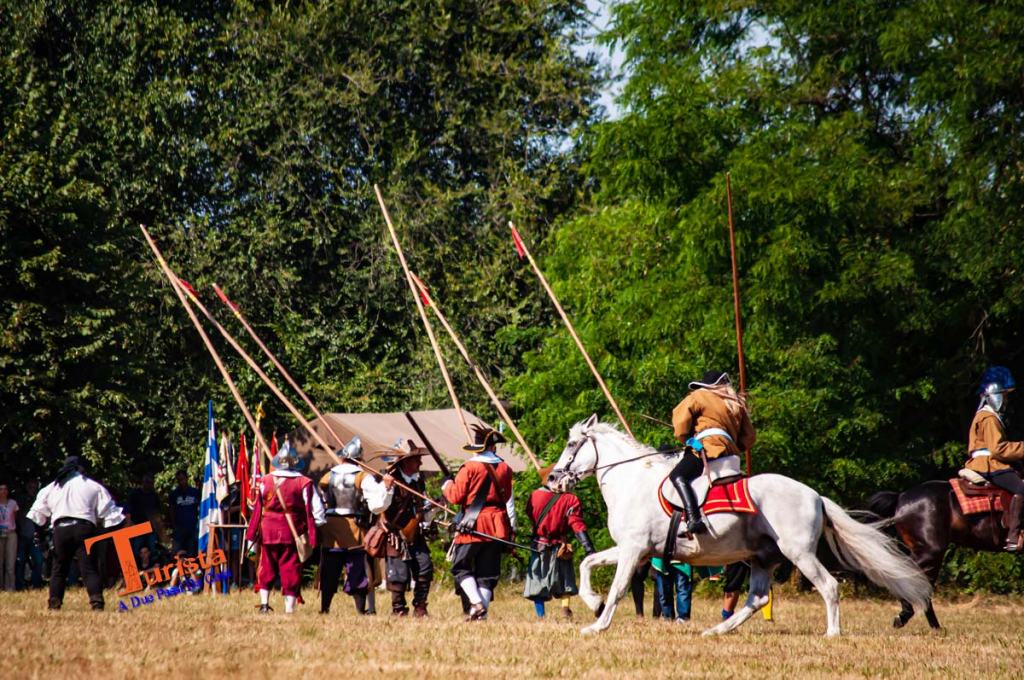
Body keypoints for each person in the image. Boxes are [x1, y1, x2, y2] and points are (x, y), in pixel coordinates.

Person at [26, 456, 125, 610]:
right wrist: (102, 534)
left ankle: (54, 604)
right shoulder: (93, 486)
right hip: (84, 528)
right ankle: (97, 603)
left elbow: (36, 515)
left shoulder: (52, 487)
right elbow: (112, 516)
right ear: (80, 468)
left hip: (61, 530)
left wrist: (41, 536)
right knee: (89, 568)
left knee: (59, 569)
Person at [443, 424, 515, 621]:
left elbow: (456, 497)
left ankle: (475, 604)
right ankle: (481, 614)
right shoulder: (505, 468)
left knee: (460, 567)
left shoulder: (470, 466)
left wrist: (447, 485)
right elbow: (506, 496)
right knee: (487, 574)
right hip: (497, 524)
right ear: (492, 447)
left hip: (473, 523)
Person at [669, 370, 756, 534]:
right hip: (732, 454)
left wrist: (687, 439)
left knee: (677, 476)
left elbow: (680, 422)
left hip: (709, 448)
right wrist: (733, 445)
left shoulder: (700, 395)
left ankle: (694, 519)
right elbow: (749, 437)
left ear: (707, 386)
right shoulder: (736, 402)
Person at [318, 436, 394, 615]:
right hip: (354, 527)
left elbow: (321, 497)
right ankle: (360, 611)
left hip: (330, 529)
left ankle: (325, 609)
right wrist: (386, 488)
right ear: (359, 459)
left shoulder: (328, 476)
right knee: (357, 570)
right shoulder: (362, 476)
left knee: (330, 570)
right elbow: (377, 506)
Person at [246, 443, 318, 613]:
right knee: (290, 568)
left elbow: (257, 508)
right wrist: (314, 530)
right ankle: (289, 610)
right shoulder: (304, 482)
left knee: (267, 566)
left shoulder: (265, 480)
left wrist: (251, 533)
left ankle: (264, 604)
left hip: (268, 530)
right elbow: (314, 509)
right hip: (291, 531)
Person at [523, 465, 595, 618]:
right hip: (560, 544)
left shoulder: (534, 496)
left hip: (540, 544)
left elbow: (529, 513)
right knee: (564, 580)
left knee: (537, 580)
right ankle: (565, 608)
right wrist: (587, 545)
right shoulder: (570, 499)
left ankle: (541, 615)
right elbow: (576, 523)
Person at [965, 365, 1024, 551]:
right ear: (994, 395)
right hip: (989, 465)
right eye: (1004, 395)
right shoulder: (989, 418)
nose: (1006, 400)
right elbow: (998, 449)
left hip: (987, 462)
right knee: (1022, 488)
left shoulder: (985, 416)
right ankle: (1014, 537)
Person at [378, 444, 434, 617]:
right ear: (406, 462)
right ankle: (399, 609)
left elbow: (422, 507)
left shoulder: (418, 480)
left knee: (425, 568)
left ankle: (420, 607)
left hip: (415, 533)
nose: (420, 462)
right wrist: (387, 488)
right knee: (398, 576)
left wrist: (432, 507)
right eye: (416, 459)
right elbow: (379, 506)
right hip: (396, 534)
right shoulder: (390, 480)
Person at [16, 479, 44, 589]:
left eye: (34, 486)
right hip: (22, 535)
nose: (32, 488)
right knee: (20, 561)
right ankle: (20, 585)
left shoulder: (39, 500)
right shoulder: (21, 500)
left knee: (39, 560)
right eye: (30, 486)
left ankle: (36, 584)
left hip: (35, 535)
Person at [127, 474, 160, 558]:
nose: (148, 484)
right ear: (142, 483)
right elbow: (128, 509)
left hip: (151, 527)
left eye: (150, 483)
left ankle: (151, 568)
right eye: (146, 482)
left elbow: (157, 511)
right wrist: (129, 522)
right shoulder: (135, 494)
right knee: (137, 549)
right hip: (138, 526)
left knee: (152, 549)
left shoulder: (154, 495)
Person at [651, 556, 692, 622]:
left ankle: (683, 618)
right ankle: (667, 617)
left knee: (682, 588)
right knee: (664, 591)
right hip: (661, 558)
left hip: (682, 559)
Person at [168, 470, 200, 555]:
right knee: (177, 552)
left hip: (192, 526)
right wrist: (174, 525)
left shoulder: (195, 492)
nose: (181, 482)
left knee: (192, 551)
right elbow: (171, 510)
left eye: (183, 479)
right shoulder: (174, 494)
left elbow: (199, 508)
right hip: (179, 528)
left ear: (187, 478)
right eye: (179, 480)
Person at [0, 484, 18, 591]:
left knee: (10, 563)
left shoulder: (13, 503)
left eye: (5, 489)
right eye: (0, 489)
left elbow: (14, 518)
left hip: (11, 533)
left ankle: (10, 588)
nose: (3, 491)